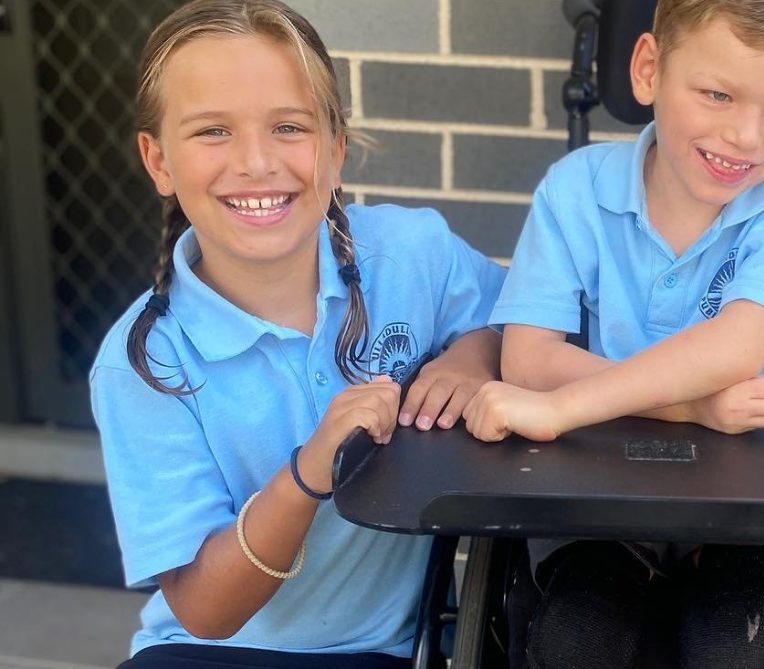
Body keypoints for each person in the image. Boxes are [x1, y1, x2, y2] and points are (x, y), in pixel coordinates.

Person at [89, 1, 504, 667]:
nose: (256, 162)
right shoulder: (144, 362)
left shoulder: (409, 254)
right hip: (209, 651)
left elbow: (523, 320)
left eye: (288, 126)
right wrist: (310, 471)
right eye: (212, 132)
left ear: (336, 149)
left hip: (387, 648)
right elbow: (205, 609)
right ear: (157, 159)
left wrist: (473, 355)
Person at [463, 1, 764, 667]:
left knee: (731, 647)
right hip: (600, 488)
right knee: (575, 642)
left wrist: (560, 406)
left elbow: (735, 348)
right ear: (648, 71)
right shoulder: (574, 191)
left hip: (749, 495)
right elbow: (525, 361)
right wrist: (689, 406)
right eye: (717, 94)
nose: (747, 137)